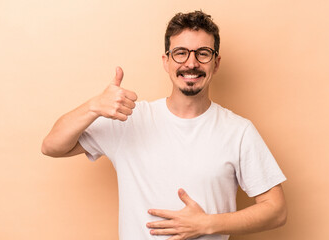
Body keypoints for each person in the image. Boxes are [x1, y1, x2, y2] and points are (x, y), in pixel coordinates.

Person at [42, 10, 287, 240]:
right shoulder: (130, 119)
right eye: (181, 52)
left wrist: (206, 224)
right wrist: (93, 106)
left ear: (216, 62)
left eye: (203, 53)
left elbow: (276, 211)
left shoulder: (238, 131)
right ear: (166, 61)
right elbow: (52, 146)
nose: (191, 63)